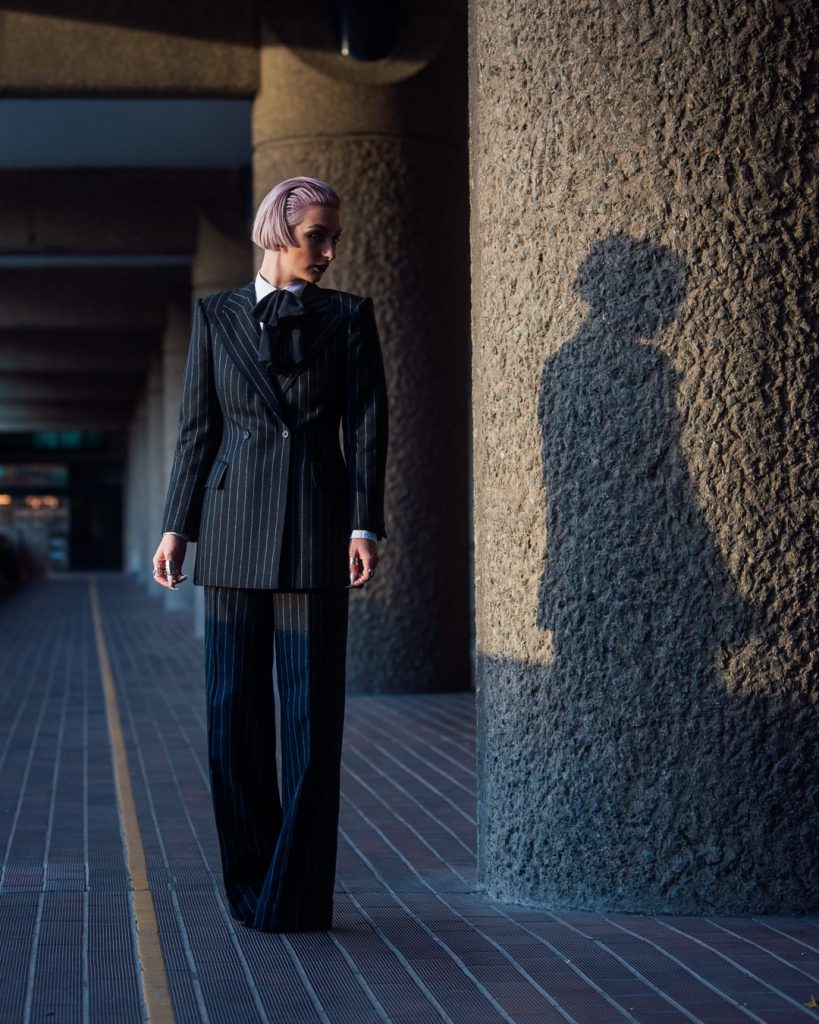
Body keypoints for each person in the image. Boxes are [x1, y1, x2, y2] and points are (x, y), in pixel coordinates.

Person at [151, 176, 388, 932]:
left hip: (319, 526)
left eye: (333, 236)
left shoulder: (350, 316)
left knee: (314, 723)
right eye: (317, 233)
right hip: (228, 530)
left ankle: (298, 892)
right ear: (277, 231)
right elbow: (197, 431)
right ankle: (249, 885)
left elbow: (369, 428)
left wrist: (364, 525)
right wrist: (174, 526)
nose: (328, 249)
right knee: (232, 718)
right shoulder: (215, 315)